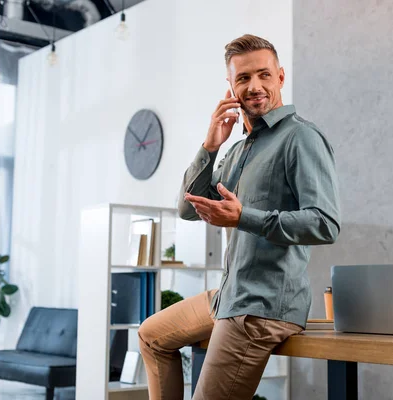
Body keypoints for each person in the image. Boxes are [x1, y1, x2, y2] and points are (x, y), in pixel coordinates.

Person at [138, 34, 341, 400]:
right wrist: (210, 146)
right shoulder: (236, 151)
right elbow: (187, 208)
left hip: (262, 307)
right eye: (243, 78)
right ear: (230, 87)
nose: (255, 86)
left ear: (280, 77)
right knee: (151, 336)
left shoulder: (301, 138)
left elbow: (325, 223)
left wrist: (245, 216)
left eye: (264, 75)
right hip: (229, 295)